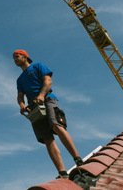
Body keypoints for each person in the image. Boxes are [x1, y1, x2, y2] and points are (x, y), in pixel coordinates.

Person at [13, 49, 83, 179]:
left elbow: (48, 81)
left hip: (47, 99)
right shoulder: (20, 80)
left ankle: (77, 158)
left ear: (25, 56)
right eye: (14, 58)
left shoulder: (37, 66)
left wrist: (41, 94)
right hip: (33, 107)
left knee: (56, 125)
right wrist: (22, 105)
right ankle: (62, 172)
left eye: (17, 57)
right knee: (47, 139)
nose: (15, 60)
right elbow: (20, 96)